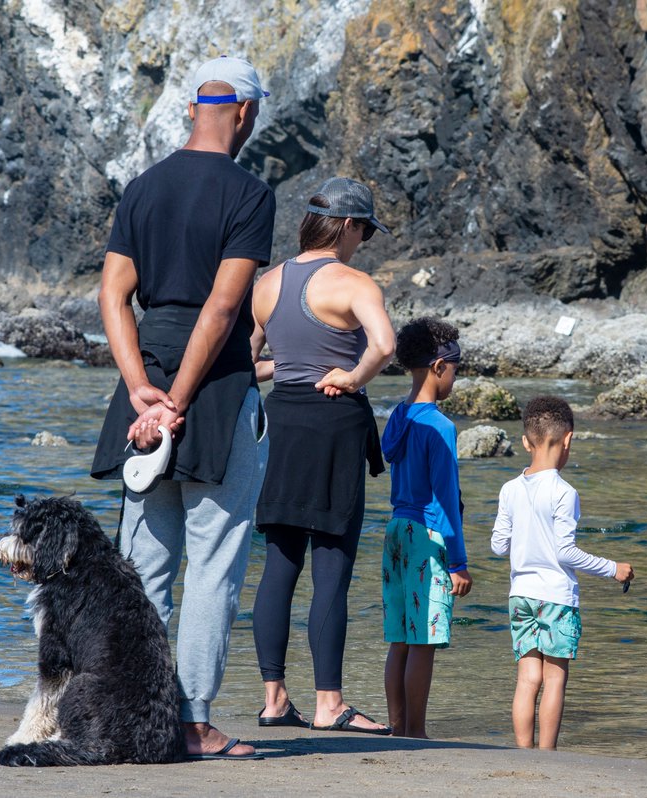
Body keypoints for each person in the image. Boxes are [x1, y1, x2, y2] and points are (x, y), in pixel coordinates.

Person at [89, 56, 275, 760]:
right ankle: (193, 722)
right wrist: (181, 402)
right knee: (216, 563)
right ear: (247, 114)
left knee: (142, 566)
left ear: (190, 110)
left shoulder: (142, 188)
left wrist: (142, 390)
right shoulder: (250, 194)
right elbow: (225, 306)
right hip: (216, 389)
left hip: (145, 383)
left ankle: (130, 713)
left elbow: (112, 297)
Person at [249, 178, 396, 735]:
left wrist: (290, 368)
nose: (364, 243)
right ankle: (329, 704)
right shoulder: (354, 282)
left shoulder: (268, 283)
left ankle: (273, 699)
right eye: (365, 232)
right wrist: (353, 375)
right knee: (331, 566)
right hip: (333, 424)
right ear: (349, 226)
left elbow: (249, 361)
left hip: (281, 421)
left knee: (279, 564)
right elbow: (384, 345)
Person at [490, 396, 634, 749]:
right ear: (568, 440)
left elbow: (497, 545)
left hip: (520, 595)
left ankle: (523, 752)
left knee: (527, 679)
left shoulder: (509, 489)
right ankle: (548, 754)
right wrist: (612, 568)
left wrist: (524, 539)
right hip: (556, 596)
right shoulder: (564, 492)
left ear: (525, 442)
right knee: (554, 679)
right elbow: (564, 552)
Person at [380, 317, 472, 738]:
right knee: (424, 640)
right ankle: (416, 731)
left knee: (400, 636)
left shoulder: (399, 417)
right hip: (426, 538)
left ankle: (398, 728)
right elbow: (445, 501)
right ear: (438, 366)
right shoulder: (440, 426)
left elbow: (387, 453)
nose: (455, 378)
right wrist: (458, 561)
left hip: (396, 529)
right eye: (455, 369)